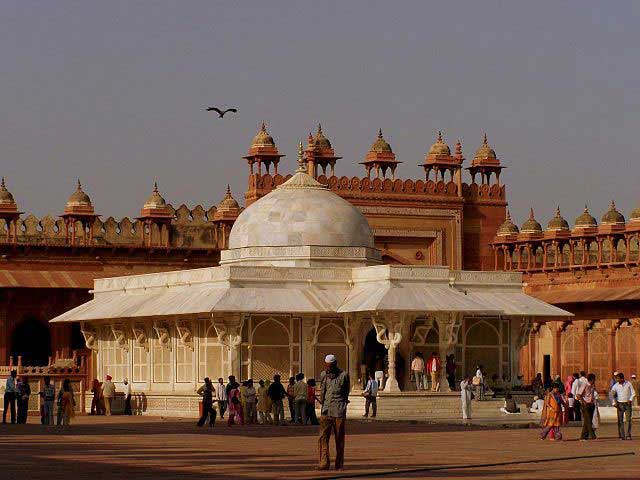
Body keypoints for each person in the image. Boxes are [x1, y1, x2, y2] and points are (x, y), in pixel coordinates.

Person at [318, 354, 350, 471]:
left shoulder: (344, 375)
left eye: (330, 366)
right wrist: (322, 405)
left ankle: (339, 464)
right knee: (323, 438)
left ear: (335, 364)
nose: (328, 368)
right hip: (326, 410)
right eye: (327, 366)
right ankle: (324, 462)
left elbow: (346, 391)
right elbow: (322, 392)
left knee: (339, 438)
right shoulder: (323, 375)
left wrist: (343, 405)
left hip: (339, 410)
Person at [610, 372, 635, 440]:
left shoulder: (628, 383)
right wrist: (613, 403)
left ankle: (628, 435)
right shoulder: (615, 385)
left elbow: (633, 393)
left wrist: (630, 400)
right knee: (620, 420)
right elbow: (611, 394)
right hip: (620, 404)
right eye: (616, 378)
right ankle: (621, 436)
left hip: (627, 404)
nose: (617, 380)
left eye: (618, 378)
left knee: (628, 420)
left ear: (622, 378)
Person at [576, 373, 597, 440]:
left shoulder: (592, 386)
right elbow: (578, 395)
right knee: (588, 421)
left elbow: (592, 395)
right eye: (594, 379)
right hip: (585, 405)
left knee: (587, 421)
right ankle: (593, 435)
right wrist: (584, 402)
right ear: (592, 379)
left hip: (591, 404)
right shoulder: (584, 385)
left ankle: (583, 437)